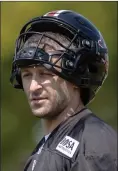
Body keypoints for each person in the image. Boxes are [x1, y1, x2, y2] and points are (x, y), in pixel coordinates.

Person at [10, 10, 117, 171]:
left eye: (45, 73)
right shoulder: (44, 148)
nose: (33, 87)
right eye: (26, 75)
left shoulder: (93, 144)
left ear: (76, 77)